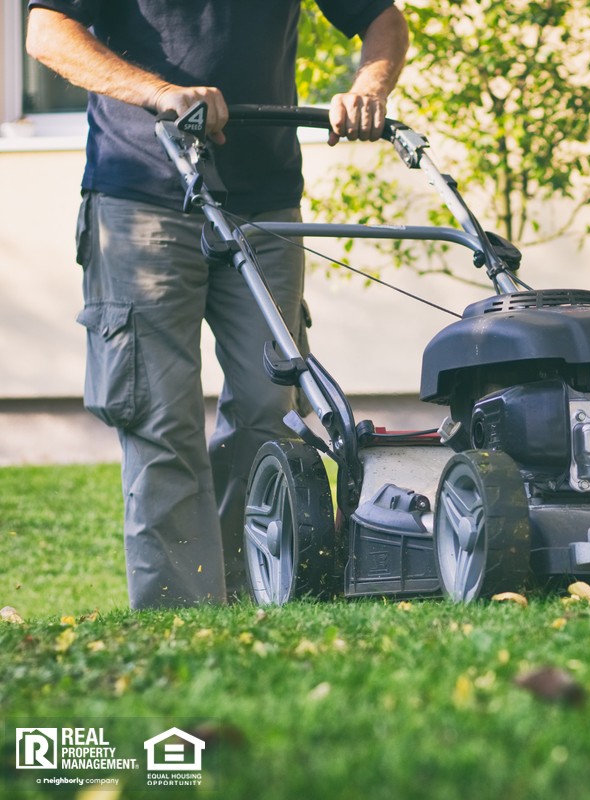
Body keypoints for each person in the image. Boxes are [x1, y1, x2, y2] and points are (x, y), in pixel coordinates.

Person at [25, 0, 409, 609]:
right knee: (160, 419)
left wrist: (368, 86)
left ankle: (243, 597)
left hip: (264, 205)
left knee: (268, 412)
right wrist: (159, 92)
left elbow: (382, 18)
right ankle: (181, 614)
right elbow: (46, 33)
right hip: (142, 197)